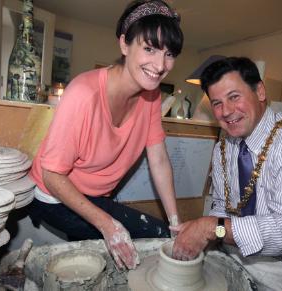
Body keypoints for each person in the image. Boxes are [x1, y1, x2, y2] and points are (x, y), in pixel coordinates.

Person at [28, 0, 183, 270]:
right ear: (124, 44)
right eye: (149, 49)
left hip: (95, 195)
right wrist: (107, 224)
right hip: (52, 195)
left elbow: (158, 159)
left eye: (169, 54)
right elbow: (52, 175)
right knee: (137, 243)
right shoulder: (83, 94)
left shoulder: (153, 95)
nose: (160, 65)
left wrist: (175, 222)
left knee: (162, 234)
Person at [172, 57, 282, 290]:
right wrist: (207, 232)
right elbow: (223, 206)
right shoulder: (225, 145)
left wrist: (211, 227)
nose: (226, 111)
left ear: (260, 91)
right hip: (245, 259)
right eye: (217, 103)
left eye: (234, 97)